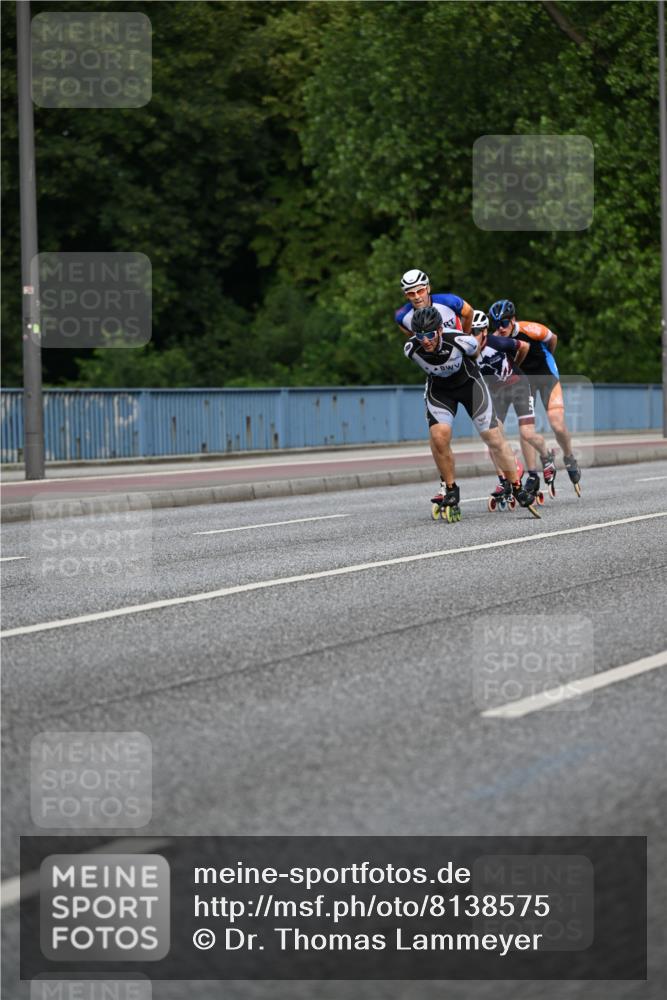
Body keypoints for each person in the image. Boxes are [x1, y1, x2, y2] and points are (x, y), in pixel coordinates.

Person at [403, 304, 541, 519]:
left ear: (439, 330)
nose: (426, 341)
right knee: (439, 437)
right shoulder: (411, 349)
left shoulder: (460, 340)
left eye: (430, 335)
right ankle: (450, 489)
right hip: (441, 391)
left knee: (492, 437)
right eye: (420, 336)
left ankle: (516, 486)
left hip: (470, 385)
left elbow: (475, 353)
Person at [488, 299, 581, 495]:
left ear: (513, 320)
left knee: (557, 424)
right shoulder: (497, 339)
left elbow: (552, 339)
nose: (501, 328)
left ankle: (569, 456)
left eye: (504, 323)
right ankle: (532, 473)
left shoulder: (531, 329)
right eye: (496, 324)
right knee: (526, 430)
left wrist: (548, 357)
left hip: (546, 374)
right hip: (524, 380)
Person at [471, 309, 557, 506]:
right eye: (469, 333)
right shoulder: (466, 350)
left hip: (518, 386)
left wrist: (515, 364)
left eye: (475, 332)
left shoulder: (498, 342)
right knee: (493, 437)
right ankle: (504, 480)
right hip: (498, 393)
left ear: (484, 332)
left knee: (527, 433)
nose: (472, 338)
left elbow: (524, 346)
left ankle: (547, 456)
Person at [395, 268, 474, 336]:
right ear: (406, 296)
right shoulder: (402, 317)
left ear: (428, 289)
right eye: (411, 294)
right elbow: (412, 337)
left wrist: (466, 336)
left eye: (420, 291)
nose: (417, 297)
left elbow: (469, 312)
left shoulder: (450, 302)